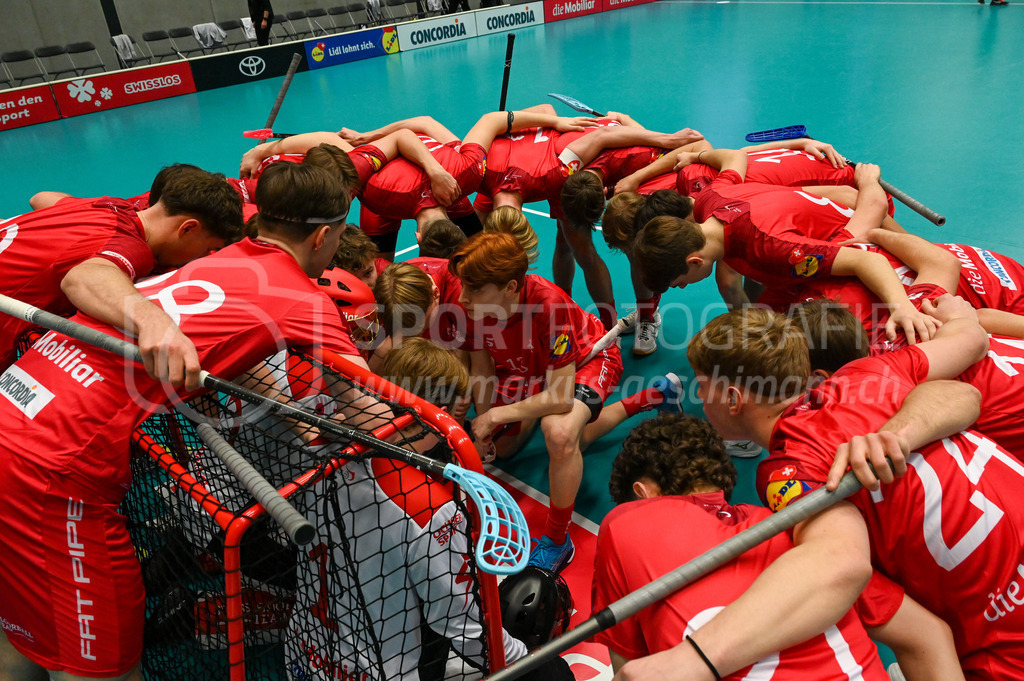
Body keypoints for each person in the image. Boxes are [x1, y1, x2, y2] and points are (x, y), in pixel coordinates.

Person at [0, 163, 363, 681]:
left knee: (31, 633)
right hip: (55, 468)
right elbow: (368, 410)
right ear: (326, 236)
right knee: (105, 666)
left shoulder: (208, 257)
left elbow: (218, 350)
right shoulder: (308, 302)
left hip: (13, 406)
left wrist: (284, 408)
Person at [629, 303, 1024, 681]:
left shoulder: (788, 469)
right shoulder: (868, 371)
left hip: (1005, 639)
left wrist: (697, 658)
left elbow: (842, 563)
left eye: (703, 387)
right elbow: (971, 349)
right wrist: (960, 317)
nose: (700, 399)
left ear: (733, 399)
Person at [594, 412, 910, 680]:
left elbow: (630, 668)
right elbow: (926, 634)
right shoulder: (801, 531)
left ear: (642, 493)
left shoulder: (624, 522)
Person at [449, 233, 628, 572]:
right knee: (503, 450)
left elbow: (560, 397)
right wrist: (486, 422)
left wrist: (497, 414)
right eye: (463, 286)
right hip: (533, 366)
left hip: (587, 361)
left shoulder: (549, 304)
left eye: (474, 289)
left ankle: (559, 540)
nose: (462, 297)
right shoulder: (470, 306)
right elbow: (482, 365)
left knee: (559, 432)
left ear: (510, 287)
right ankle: (650, 398)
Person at [632, 153, 938, 345]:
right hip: (819, 238)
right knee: (760, 337)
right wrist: (700, 154)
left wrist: (902, 307)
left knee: (805, 342)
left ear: (694, 260)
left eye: (679, 282)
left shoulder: (773, 248)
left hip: (859, 249)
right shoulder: (711, 199)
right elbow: (733, 157)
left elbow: (862, 258)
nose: (684, 286)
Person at [0, 163, 243, 384]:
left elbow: (41, 198)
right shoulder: (132, 247)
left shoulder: (108, 207)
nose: (203, 256)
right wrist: (155, 323)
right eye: (208, 248)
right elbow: (82, 278)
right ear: (188, 228)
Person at [473, 112, 704, 331]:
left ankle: (647, 316)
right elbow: (551, 112)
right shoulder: (561, 167)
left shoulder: (633, 157)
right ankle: (599, 323)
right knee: (570, 245)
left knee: (636, 246)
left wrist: (654, 140)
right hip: (573, 177)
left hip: (632, 175)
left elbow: (631, 140)